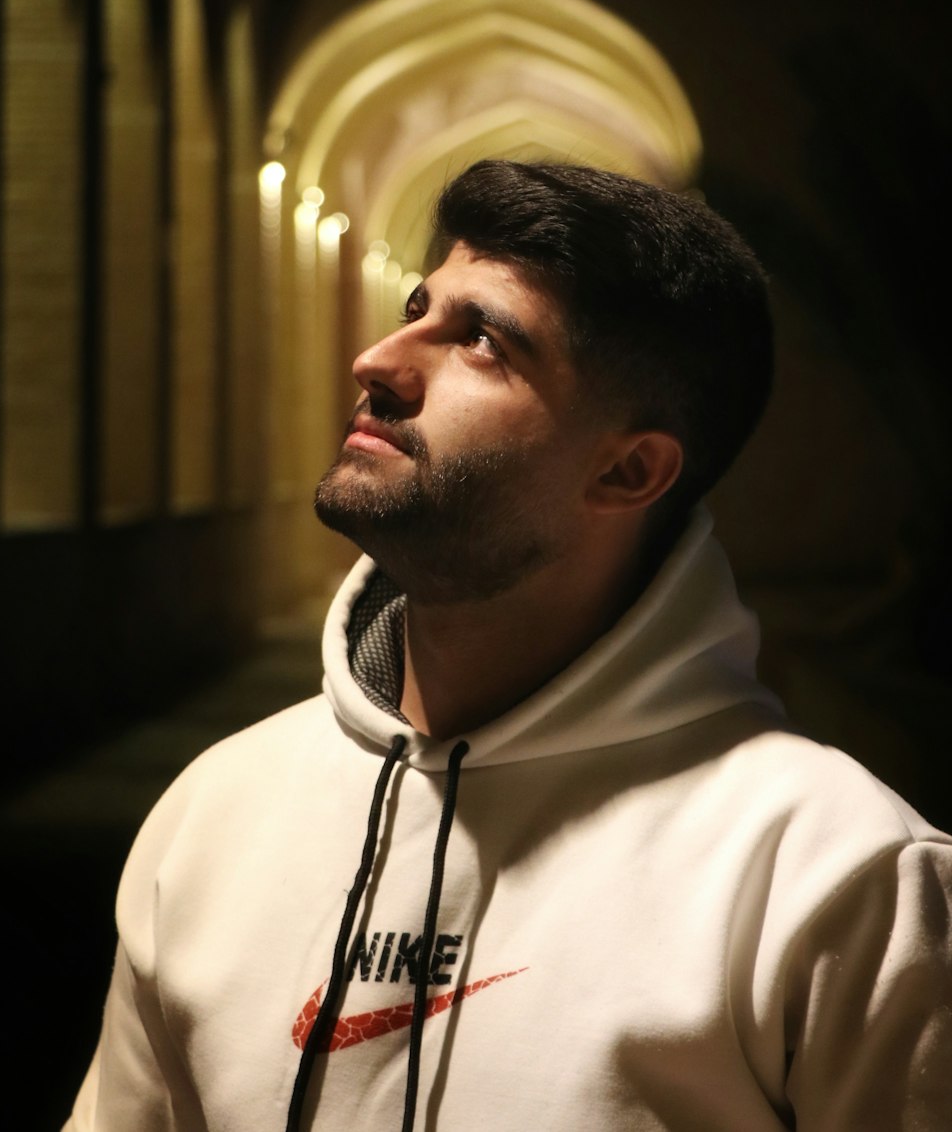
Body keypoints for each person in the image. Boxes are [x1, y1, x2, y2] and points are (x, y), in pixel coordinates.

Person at [67, 159, 952, 1131]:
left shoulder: (835, 875)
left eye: (480, 341)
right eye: (416, 308)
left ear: (627, 470)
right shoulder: (214, 810)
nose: (377, 359)